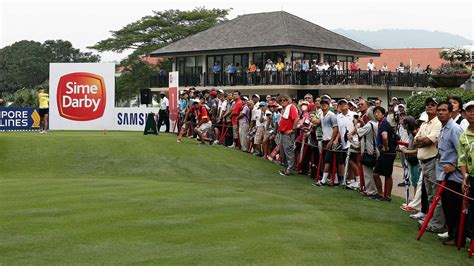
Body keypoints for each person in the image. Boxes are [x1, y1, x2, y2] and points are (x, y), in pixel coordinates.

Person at [413, 97, 445, 232]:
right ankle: (432, 220)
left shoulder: (438, 123)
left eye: (432, 105)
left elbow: (429, 141)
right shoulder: (425, 123)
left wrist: (422, 140)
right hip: (424, 162)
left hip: (432, 161)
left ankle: (437, 224)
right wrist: (422, 140)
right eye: (427, 105)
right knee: (430, 195)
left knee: (436, 195)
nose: (429, 107)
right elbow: (415, 141)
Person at [435, 101, 464, 246]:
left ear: (451, 112)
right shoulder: (443, 128)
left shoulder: (454, 128)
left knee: (454, 208)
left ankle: (458, 237)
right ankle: (452, 234)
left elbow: (464, 152)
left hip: (454, 177)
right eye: (439, 110)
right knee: (447, 207)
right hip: (443, 174)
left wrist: (454, 166)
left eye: (444, 110)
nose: (440, 112)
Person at [372, 106, 397, 201]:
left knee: (378, 173)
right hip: (388, 153)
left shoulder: (384, 124)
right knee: (386, 174)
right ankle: (384, 195)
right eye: (375, 113)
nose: (376, 114)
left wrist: (385, 147)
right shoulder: (382, 123)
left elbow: (385, 136)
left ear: (383, 114)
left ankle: (385, 195)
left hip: (388, 153)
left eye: (378, 112)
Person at [458, 101, 474, 250]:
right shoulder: (464, 136)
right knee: (471, 210)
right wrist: (465, 177)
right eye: (469, 110)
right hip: (472, 177)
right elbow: (462, 159)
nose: (472, 113)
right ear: (464, 114)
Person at [314, 97, 339, 186]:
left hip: (330, 140)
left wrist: (331, 141)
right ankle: (335, 180)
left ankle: (323, 181)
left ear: (329, 106)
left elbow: (336, 128)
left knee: (327, 161)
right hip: (324, 140)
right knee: (329, 161)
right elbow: (316, 122)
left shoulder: (332, 115)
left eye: (325, 104)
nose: (323, 105)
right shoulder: (321, 115)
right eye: (322, 104)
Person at [357, 107, 379, 196]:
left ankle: (371, 191)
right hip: (375, 150)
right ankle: (374, 190)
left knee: (368, 173)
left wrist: (356, 123)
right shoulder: (376, 124)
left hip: (369, 151)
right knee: (373, 173)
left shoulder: (369, 124)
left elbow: (359, 132)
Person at [278, 95, 299, 176]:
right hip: (283, 133)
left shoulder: (291, 107)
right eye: (281, 100)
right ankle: (287, 168)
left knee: (288, 151)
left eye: (285, 100)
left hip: (288, 133)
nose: (283, 101)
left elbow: (296, 118)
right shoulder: (285, 109)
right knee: (283, 151)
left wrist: (292, 129)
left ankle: (289, 169)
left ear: (288, 101)